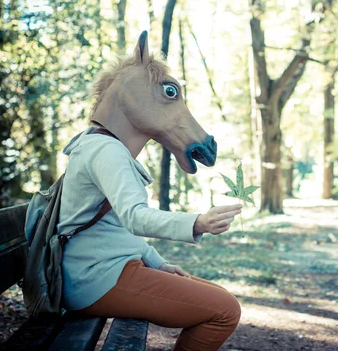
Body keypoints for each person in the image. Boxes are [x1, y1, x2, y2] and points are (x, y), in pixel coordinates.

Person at [56, 31, 243, 351]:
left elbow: (113, 226)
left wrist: (156, 262)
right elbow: (134, 218)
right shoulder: (106, 151)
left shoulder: (99, 145)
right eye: (168, 92)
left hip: (105, 270)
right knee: (225, 310)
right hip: (97, 279)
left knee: (221, 299)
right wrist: (198, 222)